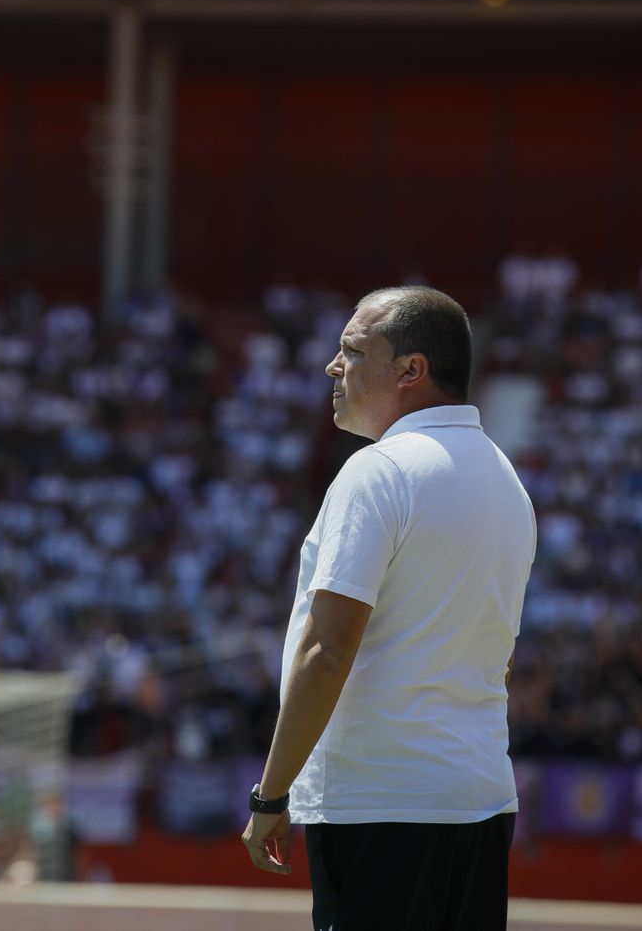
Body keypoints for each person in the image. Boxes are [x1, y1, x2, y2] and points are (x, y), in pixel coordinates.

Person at [241, 286, 537, 930]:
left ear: (411, 370)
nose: (332, 365)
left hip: (380, 803)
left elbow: (327, 652)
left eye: (352, 349)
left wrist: (272, 793)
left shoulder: (377, 471)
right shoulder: (507, 480)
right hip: (480, 799)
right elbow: (501, 659)